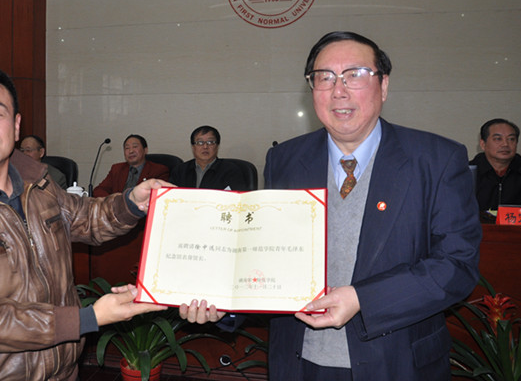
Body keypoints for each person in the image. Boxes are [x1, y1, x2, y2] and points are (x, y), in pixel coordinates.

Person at [182, 32, 481, 380]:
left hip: (396, 363)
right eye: (324, 77)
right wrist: (226, 303)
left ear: (383, 85)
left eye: (355, 74)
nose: (339, 90)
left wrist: (363, 300)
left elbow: (457, 266)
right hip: (299, 361)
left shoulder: (436, 159)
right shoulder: (285, 159)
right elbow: (267, 257)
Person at [0, 62, 168, 381]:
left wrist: (133, 202)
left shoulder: (38, 185)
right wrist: (88, 318)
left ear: (16, 126)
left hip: (62, 371)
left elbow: (86, 218)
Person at [469, 118, 521, 211]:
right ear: (483, 144)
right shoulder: (467, 173)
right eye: (498, 139)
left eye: (511, 139)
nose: (505, 144)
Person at [169, 125, 248, 191]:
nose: (205, 146)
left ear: (217, 146)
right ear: (193, 147)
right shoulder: (180, 171)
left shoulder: (231, 170)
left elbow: (236, 199)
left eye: (210, 142)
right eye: (200, 142)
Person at [93, 134, 169, 197]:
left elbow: (159, 195)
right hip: (118, 208)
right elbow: (99, 190)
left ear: (145, 150)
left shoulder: (158, 170)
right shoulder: (117, 169)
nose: (131, 151)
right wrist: (112, 200)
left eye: (135, 147)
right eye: (127, 148)